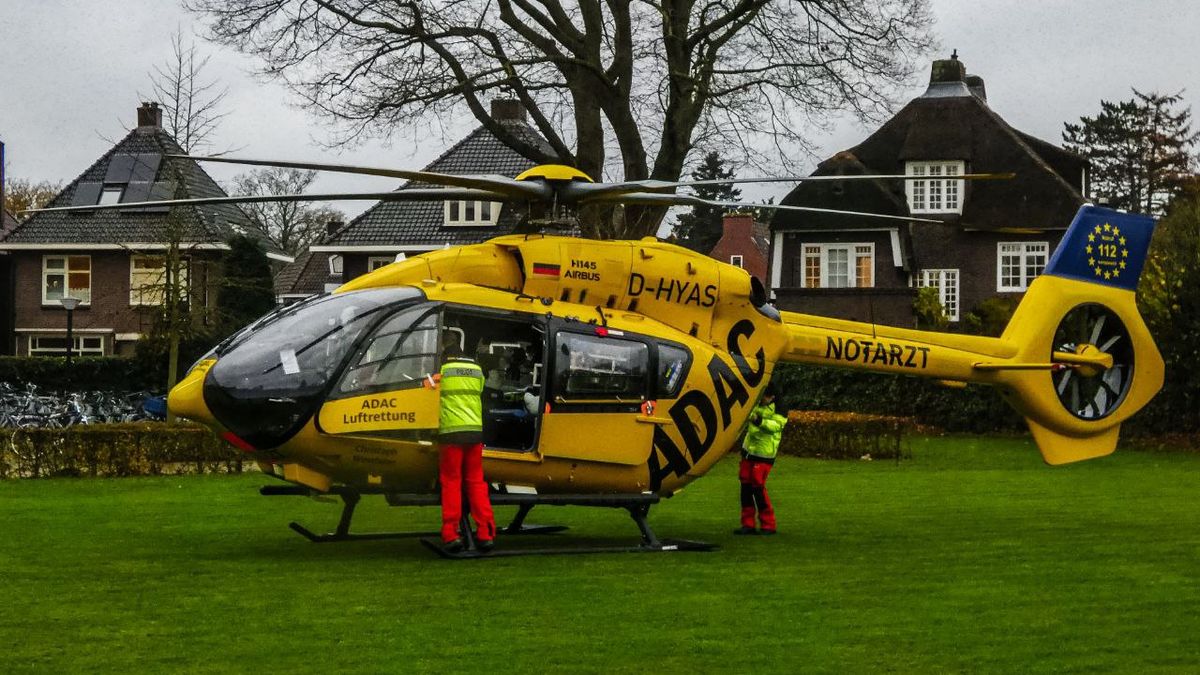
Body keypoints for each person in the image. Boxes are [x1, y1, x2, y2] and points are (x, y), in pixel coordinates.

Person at [436, 334, 496, 552]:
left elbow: (426, 391)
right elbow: (479, 392)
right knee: (476, 483)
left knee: (451, 482)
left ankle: (451, 534)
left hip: (450, 434)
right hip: (474, 433)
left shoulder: (441, 372)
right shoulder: (476, 371)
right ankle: (486, 533)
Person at [735, 386, 787, 535]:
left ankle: (768, 525)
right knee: (745, 487)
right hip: (749, 452)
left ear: (772, 397)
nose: (762, 399)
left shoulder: (780, 410)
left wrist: (758, 420)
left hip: (764, 455)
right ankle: (748, 524)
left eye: (765, 396)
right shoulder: (757, 404)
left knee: (758, 488)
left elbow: (775, 426)